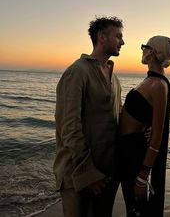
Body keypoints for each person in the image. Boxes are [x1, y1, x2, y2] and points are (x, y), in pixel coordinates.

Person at [53, 16, 125, 217]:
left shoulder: (114, 77)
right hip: (77, 173)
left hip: (106, 170)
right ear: (102, 37)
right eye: (118, 36)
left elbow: (118, 116)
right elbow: (69, 126)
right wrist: (87, 173)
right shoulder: (78, 71)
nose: (123, 42)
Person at [118, 35, 170, 217]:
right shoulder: (149, 81)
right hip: (126, 151)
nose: (142, 50)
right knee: (131, 206)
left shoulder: (158, 85)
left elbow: (157, 136)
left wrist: (143, 176)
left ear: (151, 52)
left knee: (137, 210)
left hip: (135, 154)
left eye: (144, 46)